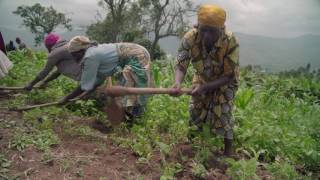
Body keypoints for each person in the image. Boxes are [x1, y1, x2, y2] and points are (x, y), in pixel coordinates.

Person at [172, 4, 240, 156]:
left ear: (221, 29)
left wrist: (206, 87)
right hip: (202, 77)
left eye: (212, 31)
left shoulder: (230, 41)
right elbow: (181, 63)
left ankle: (228, 152)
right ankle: (191, 146)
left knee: (223, 111)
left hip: (225, 80)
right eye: (204, 30)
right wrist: (177, 82)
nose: (207, 35)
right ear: (198, 26)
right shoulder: (190, 37)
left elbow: (229, 75)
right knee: (195, 109)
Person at [59, 36, 153, 120]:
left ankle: (131, 120)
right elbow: (98, 80)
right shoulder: (91, 52)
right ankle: (129, 118)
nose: (74, 58)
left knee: (130, 87)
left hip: (138, 55)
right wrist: (85, 93)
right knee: (127, 89)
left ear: (81, 51)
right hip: (133, 54)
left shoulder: (91, 56)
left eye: (74, 55)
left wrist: (67, 98)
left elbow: (85, 85)